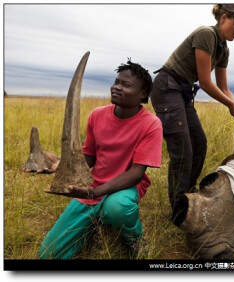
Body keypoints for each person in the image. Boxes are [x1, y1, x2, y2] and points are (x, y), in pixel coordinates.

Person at [38, 60, 163, 259]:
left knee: (116, 208)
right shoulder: (97, 115)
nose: (117, 87)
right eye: (116, 82)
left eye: (126, 85)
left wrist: (94, 192)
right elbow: (88, 156)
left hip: (125, 188)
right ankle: (94, 226)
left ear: (142, 94)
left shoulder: (151, 124)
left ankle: (134, 238)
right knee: (49, 254)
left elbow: (136, 173)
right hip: (93, 187)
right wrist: (61, 165)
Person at [150, 4, 234, 210]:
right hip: (168, 87)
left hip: (183, 92)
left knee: (199, 143)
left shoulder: (224, 50)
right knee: (183, 149)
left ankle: (188, 194)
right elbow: (206, 82)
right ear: (223, 18)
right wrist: (230, 105)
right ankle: (179, 209)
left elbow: (223, 87)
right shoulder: (206, 34)